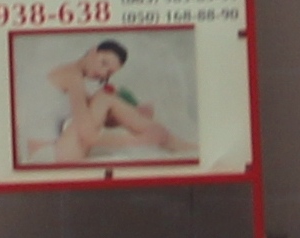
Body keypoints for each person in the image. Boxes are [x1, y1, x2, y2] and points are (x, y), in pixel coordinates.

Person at [32, 40, 195, 164]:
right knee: (104, 98)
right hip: (52, 153)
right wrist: (138, 141)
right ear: (93, 51)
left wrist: (132, 113)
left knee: (105, 98)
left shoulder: (71, 76)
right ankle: (172, 142)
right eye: (103, 63)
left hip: (56, 149)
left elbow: (96, 119)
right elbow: (88, 135)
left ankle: (171, 141)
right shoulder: (72, 77)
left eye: (109, 73)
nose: (102, 73)